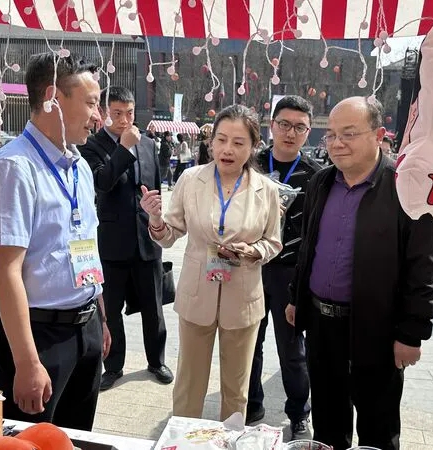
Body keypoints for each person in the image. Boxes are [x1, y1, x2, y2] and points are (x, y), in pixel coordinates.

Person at [286, 97, 433, 450]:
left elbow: (424, 267)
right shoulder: (321, 182)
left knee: (378, 428)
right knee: (327, 424)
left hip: (377, 328)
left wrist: (412, 333)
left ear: (379, 135)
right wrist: (296, 297)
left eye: (349, 134)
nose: (337, 143)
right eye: (331, 134)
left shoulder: (407, 187)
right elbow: (308, 247)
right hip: (322, 324)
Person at [0, 53, 110, 431]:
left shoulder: (80, 166)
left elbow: (86, 244)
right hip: (38, 334)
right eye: (91, 103)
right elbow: (7, 271)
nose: (98, 117)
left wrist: (99, 315)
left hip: (85, 326)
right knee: (31, 439)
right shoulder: (14, 169)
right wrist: (27, 362)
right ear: (53, 98)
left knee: (75, 437)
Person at [140, 104, 282, 422]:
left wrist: (251, 251)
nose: (227, 149)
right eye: (221, 139)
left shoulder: (267, 190)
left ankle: (229, 439)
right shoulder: (191, 179)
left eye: (238, 142)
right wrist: (156, 219)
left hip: (243, 298)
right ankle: (181, 440)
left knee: (236, 390)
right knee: (188, 387)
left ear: (253, 146)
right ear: (211, 141)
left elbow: (273, 242)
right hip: (196, 296)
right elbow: (169, 235)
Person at [78, 86, 172, 391]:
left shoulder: (148, 144)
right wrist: (123, 148)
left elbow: (154, 186)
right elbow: (102, 183)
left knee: (153, 306)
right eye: (117, 113)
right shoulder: (92, 146)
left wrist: (157, 218)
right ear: (104, 113)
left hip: (147, 238)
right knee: (112, 309)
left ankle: (156, 360)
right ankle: (114, 365)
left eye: (129, 113)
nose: (124, 120)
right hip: (113, 241)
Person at [246, 96, 320, 437]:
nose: (291, 133)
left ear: (308, 131)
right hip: (251, 266)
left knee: (292, 348)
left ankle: (298, 412)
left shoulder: (317, 176)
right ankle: (252, 404)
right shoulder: (252, 165)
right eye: (284, 125)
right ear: (271, 125)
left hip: (290, 272)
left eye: (299, 127)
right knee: (249, 342)